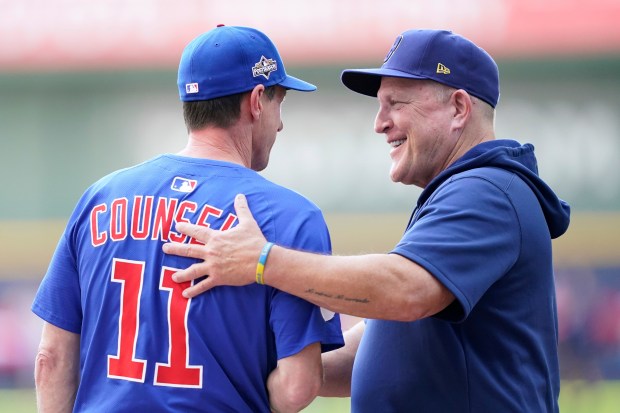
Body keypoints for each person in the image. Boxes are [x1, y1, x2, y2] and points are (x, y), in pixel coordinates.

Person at [163, 29, 571, 412]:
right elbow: (381, 344)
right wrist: (282, 365)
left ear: (459, 108)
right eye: (380, 106)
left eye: (396, 104)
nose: (380, 123)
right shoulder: (465, 190)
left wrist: (262, 261)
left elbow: (406, 291)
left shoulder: (487, 190)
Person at [31, 25, 344, 413]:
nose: (280, 123)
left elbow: (51, 359)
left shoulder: (100, 197)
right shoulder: (292, 218)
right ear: (257, 100)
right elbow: (298, 387)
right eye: (280, 101)